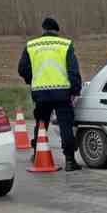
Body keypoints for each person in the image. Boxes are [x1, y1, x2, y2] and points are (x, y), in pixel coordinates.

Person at [18, 17, 84, 171]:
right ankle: (69, 161)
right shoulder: (65, 44)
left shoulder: (31, 45)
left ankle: (37, 154)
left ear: (43, 29)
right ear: (56, 30)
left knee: (41, 124)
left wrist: (32, 80)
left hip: (40, 92)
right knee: (65, 126)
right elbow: (73, 71)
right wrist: (75, 90)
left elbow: (22, 69)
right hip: (61, 92)